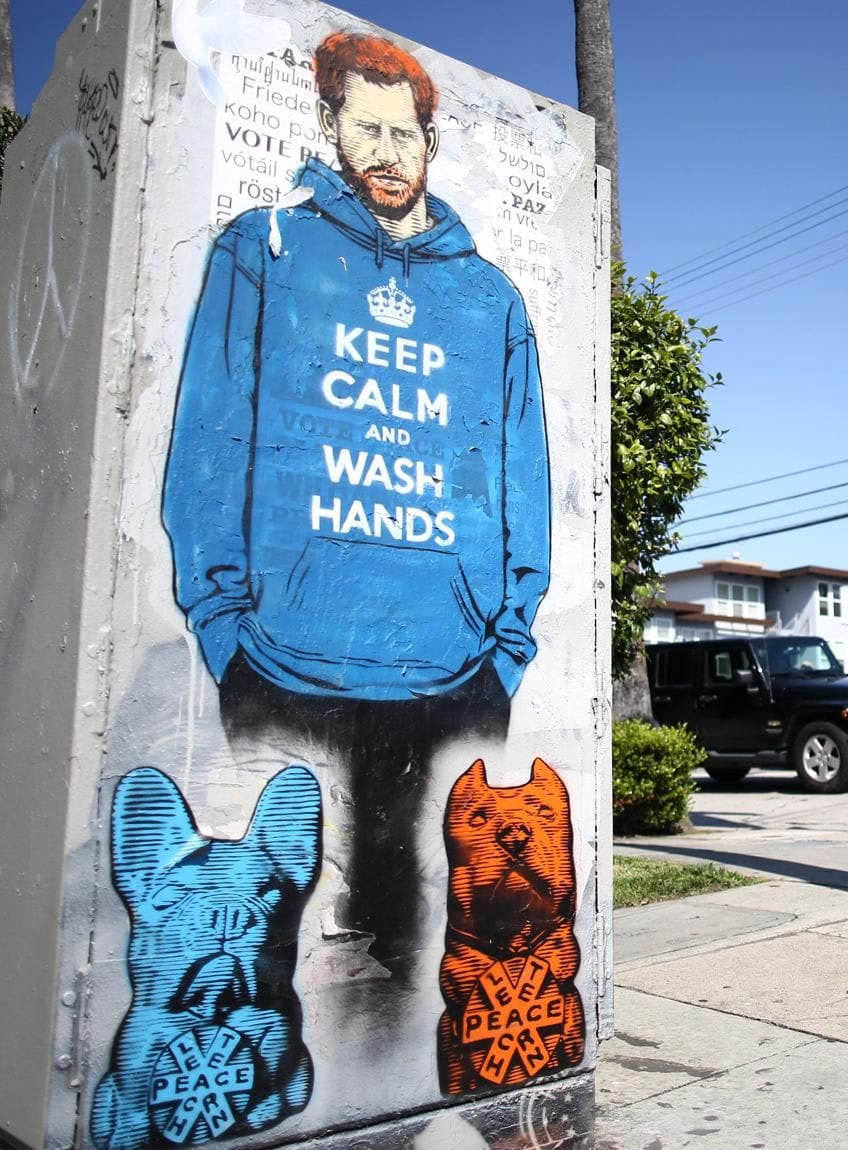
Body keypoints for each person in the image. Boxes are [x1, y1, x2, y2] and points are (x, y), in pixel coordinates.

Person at [162, 31, 550, 972]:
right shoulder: (263, 249)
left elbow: (523, 478)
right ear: (332, 130)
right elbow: (209, 447)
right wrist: (224, 630)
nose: (385, 151)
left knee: (432, 974)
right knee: (263, 967)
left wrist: (506, 647)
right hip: (284, 681)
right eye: (364, 128)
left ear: (431, 143)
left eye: (403, 132)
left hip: (455, 688)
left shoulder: (489, 298)